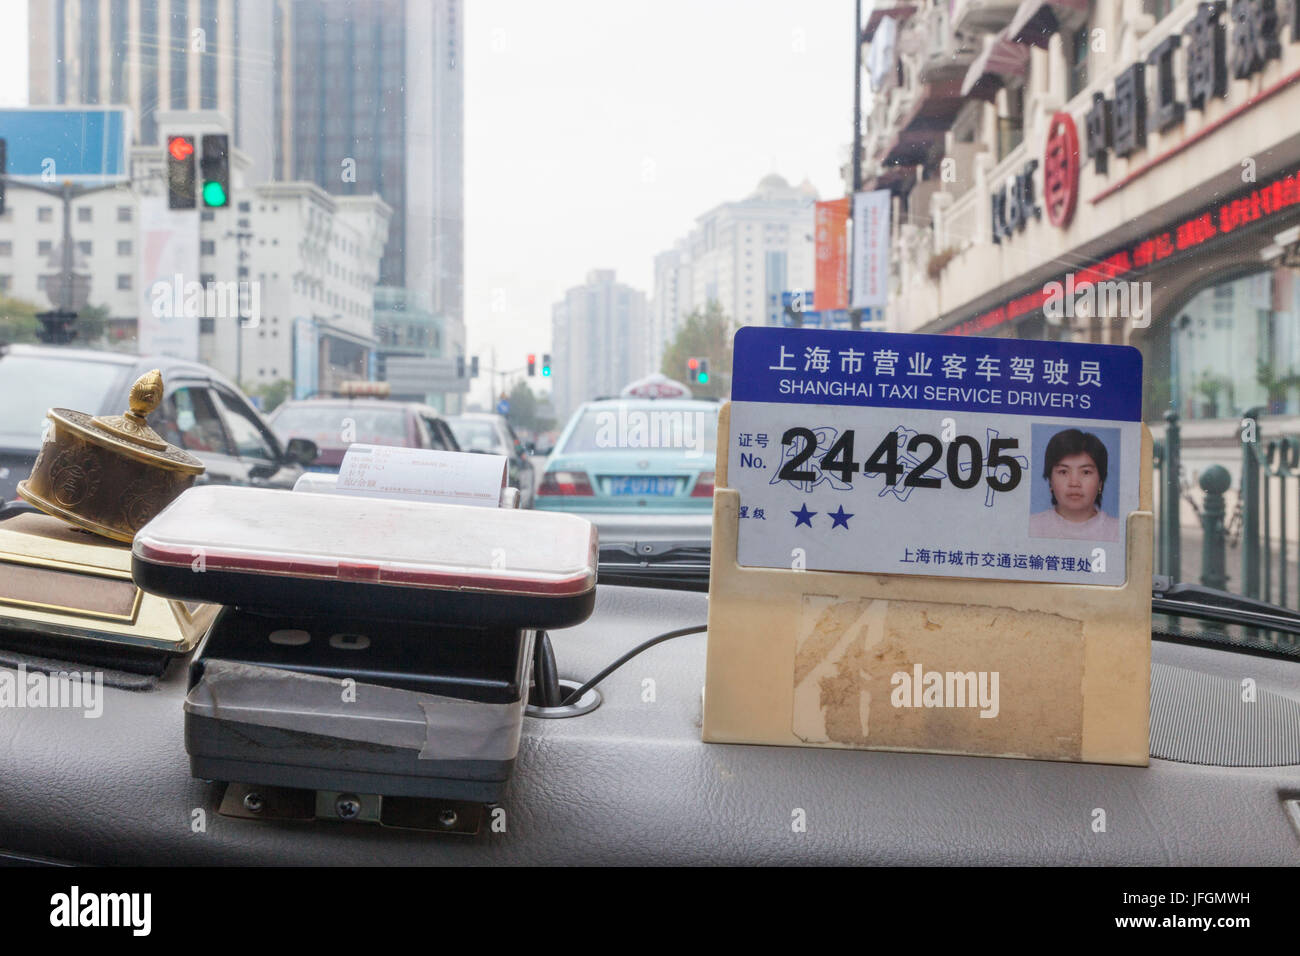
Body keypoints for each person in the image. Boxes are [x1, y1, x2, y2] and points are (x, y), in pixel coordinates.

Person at [1028, 429, 1120, 541]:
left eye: (1086, 472)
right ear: (1050, 480)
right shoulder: (1031, 527)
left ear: (1100, 481)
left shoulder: (1117, 531)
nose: (1074, 483)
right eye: (1063, 472)